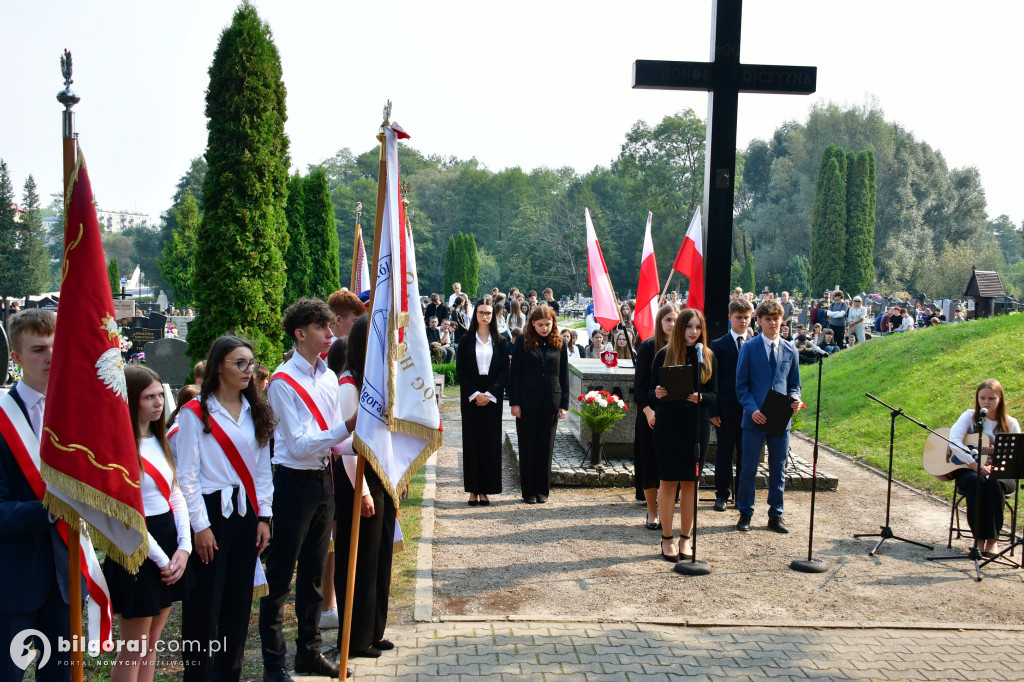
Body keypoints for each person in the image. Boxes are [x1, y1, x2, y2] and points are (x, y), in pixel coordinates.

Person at [260, 300, 357, 682]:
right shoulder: (283, 382)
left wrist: (369, 442)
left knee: (315, 575)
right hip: (293, 483)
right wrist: (348, 427)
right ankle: (273, 662)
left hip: (322, 481)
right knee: (280, 576)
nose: (331, 334)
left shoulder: (329, 377)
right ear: (300, 334)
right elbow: (299, 445)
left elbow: (334, 441)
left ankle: (309, 652)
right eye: (322, 328)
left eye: (330, 326)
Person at [177, 335, 275, 682]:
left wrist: (264, 516)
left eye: (251, 363)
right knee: (204, 609)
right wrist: (200, 527)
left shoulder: (257, 410)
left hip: (247, 514)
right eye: (240, 363)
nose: (249, 370)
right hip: (210, 514)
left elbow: (263, 469)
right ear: (220, 365)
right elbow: (186, 476)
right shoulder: (195, 414)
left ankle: (228, 675)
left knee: (238, 606)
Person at [0, 309, 76, 682]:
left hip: (66, 578)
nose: (49, 357)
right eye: (37, 350)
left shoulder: (75, 414)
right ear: (15, 358)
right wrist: (49, 510)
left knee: (59, 676)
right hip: (13, 580)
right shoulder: (2, 420)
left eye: (55, 347)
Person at [104, 367, 192, 682]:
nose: (158, 403)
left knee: (151, 643)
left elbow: (176, 494)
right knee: (134, 646)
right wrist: (163, 559)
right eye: (148, 397)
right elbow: (125, 516)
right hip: (138, 550)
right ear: (129, 401)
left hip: (169, 544)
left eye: (159, 395)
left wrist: (184, 546)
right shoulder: (119, 449)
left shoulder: (158, 440)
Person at [329, 315, 397, 660]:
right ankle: (355, 638)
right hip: (358, 478)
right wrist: (364, 491)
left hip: (382, 472)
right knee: (359, 559)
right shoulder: (349, 384)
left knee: (381, 555)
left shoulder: (378, 381)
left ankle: (374, 630)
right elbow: (349, 444)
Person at [649, 309, 718, 561]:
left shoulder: (707, 356)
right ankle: (666, 538)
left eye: (698, 328)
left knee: (691, 483)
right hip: (668, 425)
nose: (693, 332)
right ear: (680, 328)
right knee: (668, 482)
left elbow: (715, 394)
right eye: (689, 327)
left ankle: (685, 539)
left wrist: (702, 397)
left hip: (696, 427)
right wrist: (656, 393)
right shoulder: (663, 355)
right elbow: (648, 393)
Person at [735, 299, 801, 534]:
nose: (773, 323)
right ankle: (745, 512)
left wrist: (795, 398)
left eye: (776, 319)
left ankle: (776, 514)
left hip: (780, 419)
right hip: (754, 418)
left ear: (782, 320)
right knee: (748, 468)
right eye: (768, 320)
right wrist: (753, 410)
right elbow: (741, 386)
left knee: (778, 467)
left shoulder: (790, 349)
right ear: (759, 321)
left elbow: (794, 384)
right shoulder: (749, 348)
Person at [949, 379, 1021, 557]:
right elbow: (953, 441)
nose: (986, 402)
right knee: (976, 482)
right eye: (982, 398)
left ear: (1000, 399)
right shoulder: (969, 417)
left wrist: (999, 460)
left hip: (1003, 472)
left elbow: (1018, 453)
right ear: (977, 399)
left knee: (994, 483)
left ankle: (993, 541)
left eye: (991, 398)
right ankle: (978, 539)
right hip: (970, 471)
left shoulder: (1010, 423)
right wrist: (974, 464)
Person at [508, 305, 569, 504]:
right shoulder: (522, 343)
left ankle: (543, 490)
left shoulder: (559, 343)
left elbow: (563, 375)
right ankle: (528, 491)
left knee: (546, 448)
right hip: (527, 403)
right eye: (540, 325)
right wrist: (514, 402)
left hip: (551, 402)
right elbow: (514, 374)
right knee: (527, 448)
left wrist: (564, 404)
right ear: (532, 323)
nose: (544, 328)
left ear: (553, 324)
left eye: (548, 325)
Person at [457, 297, 509, 506]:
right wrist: (475, 394)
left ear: (493, 315)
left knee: (490, 444)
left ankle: (486, 490)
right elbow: (461, 371)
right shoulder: (465, 340)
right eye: (481, 313)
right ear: (475, 314)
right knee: (471, 444)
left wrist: (489, 395)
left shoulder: (501, 341)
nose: (485, 316)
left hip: (492, 398)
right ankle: (472, 490)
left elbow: (505, 371)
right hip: (471, 398)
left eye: (488, 313)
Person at [634, 304, 679, 530]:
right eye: (668, 320)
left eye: (675, 320)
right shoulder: (648, 347)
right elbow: (639, 387)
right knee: (650, 464)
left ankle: (668, 511)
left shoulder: (686, 348)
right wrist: (649, 411)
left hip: (677, 417)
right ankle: (652, 512)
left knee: (671, 466)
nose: (672, 324)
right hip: (650, 415)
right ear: (660, 322)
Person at [709, 298, 754, 512]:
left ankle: (743, 496)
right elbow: (712, 379)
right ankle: (722, 494)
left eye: (746, 317)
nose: (743, 321)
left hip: (750, 410)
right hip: (726, 410)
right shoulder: (718, 345)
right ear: (730, 318)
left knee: (746, 453)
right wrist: (714, 410)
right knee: (724, 452)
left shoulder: (755, 344)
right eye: (739, 317)